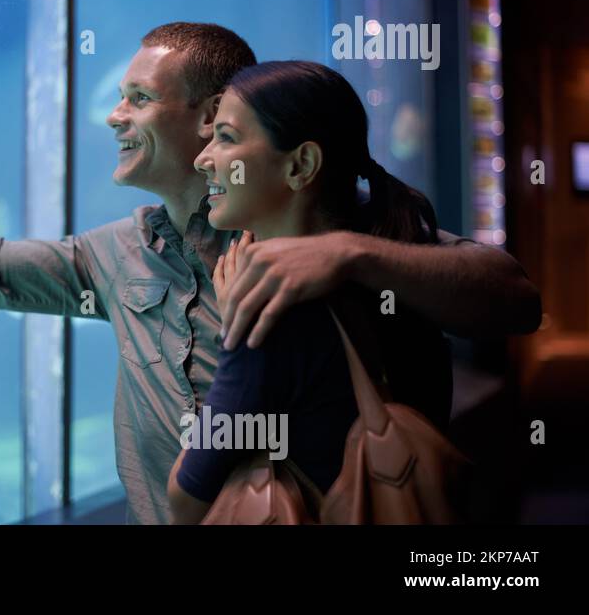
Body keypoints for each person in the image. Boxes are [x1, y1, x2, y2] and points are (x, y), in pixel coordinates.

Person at [0, 22, 542, 525]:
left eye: (137, 97)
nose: (113, 116)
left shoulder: (341, 232)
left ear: (208, 118)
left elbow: (514, 299)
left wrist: (355, 255)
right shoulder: (118, 256)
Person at [167, 60, 450, 523]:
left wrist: (234, 324)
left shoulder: (273, 315)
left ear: (300, 165)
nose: (203, 158)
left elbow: (185, 498)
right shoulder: (393, 276)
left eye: (227, 138)